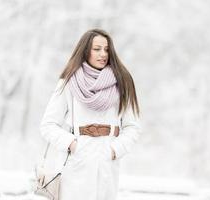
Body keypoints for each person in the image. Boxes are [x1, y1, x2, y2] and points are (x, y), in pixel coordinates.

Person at [39, 28, 141, 200]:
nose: (103, 54)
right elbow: (48, 125)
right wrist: (72, 144)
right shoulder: (68, 81)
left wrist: (114, 150)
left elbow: (132, 127)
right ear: (85, 51)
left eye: (107, 49)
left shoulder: (122, 82)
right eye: (97, 49)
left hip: (107, 161)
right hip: (75, 162)